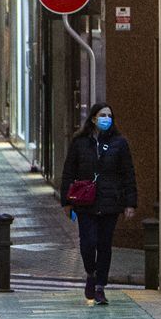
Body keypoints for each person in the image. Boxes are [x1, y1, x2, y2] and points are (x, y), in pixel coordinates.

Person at [58, 102, 138, 306]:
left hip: (111, 202)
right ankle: (91, 274)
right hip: (86, 202)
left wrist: (130, 203)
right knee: (88, 242)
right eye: (102, 115)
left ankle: (100, 286)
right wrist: (66, 201)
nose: (106, 119)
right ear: (93, 118)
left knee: (104, 245)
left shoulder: (119, 143)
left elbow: (128, 174)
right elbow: (69, 172)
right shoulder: (80, 143)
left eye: (109, 116)